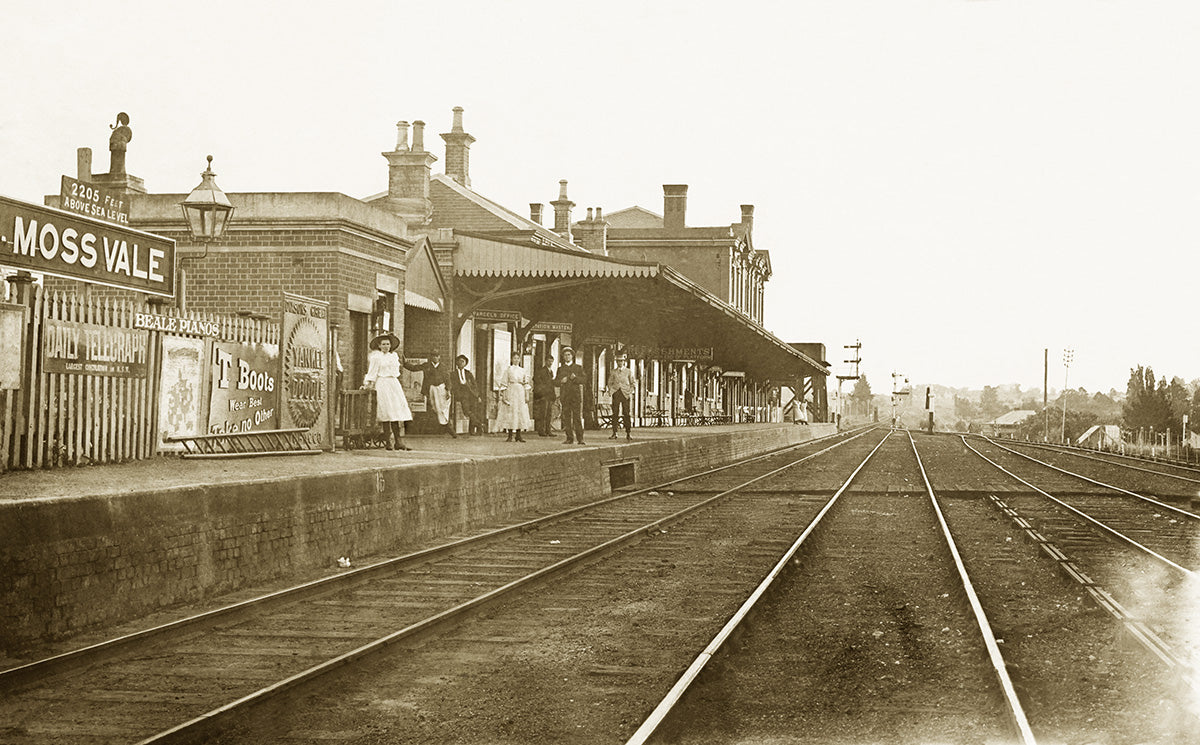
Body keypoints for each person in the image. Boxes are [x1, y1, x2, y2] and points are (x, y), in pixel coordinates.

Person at [362, 332, 412, 451]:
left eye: (388, 344)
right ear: (379, 346)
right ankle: (388, 441)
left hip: (394, 384)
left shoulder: (394, 356)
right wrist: (367, 384)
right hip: (383, 384)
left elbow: (396, 371)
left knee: (396, 412)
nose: (386, 346)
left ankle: (398, 441)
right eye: (383, 344)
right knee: (386, 412)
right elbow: (372, 372)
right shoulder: (376, 357)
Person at [405, 351, 455, 438]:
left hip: (441, 388)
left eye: (436, 356)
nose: (435, 358)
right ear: (431, 357)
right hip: (431, 388)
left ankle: (447, 427)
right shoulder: (426, 365)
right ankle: (435, 428)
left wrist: (448, 391)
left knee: (443, 408)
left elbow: (448, 379)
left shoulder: (443, 367)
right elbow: (414, 368)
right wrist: (405, 363)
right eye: (433, 356)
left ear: (439, 357)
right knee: (432, 407)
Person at [496, 351, 532, 442]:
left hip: (520, 391)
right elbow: (504, 383)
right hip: (511, 391)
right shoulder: (508, 370)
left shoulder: (523, 370)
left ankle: (519, 435)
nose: (516, 360)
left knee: (520, 412)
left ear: (520, 359)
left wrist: (527, 395)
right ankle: (510, 434)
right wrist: (504, 396)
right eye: (514, 358)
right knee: (511, 412)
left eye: (517, 358)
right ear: (511, 359)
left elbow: (526, 383)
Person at [556, 346, 586, 445]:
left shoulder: (578, 368)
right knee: (566, 418)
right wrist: (561, 381)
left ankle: (580, 438)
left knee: (577, 417)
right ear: (563, 357)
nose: (567, 357)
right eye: (565, 355)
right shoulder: (561, 369)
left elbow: (584, 380)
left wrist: (576, 378)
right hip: (565, 396)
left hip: (575, 396)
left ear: (572, 356)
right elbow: (555, 382)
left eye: (569, 355)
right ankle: (569, 438)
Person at [452, 354, 485, 435]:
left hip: (471, 394)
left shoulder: (468, 373)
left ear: (465, 363)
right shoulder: (453, 374)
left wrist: (477, 396)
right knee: (466, 411)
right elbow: (453, 385)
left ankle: (472, 430)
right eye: (459, 361)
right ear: (456, 363)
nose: (461, 363)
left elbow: (474, 385)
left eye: (463, 361)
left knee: (473, 410)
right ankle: (479, 425)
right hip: (462, 394)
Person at [606, 351, 635, 440]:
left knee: (626, 413)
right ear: (616, 362)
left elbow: (633, 383)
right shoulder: (613, 372)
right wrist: (611, 391)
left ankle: (628, 433)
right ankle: (614, 432)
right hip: (616, 393)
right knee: (615, 413)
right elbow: (609, 382)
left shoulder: (628, 371)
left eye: (621, 361)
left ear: (624, 362)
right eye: (618, 361)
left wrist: (629, 391)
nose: (620, 363)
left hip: (625, 394)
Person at [532, 357, 556, 437]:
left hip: (549, 394)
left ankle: (548, 430)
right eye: (549, 361)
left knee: (549, 413)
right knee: (543, 413)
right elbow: (536, 379)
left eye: (552, 361)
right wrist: (542, 390)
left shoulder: (551, 371)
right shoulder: (542, 371)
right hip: (544, 395)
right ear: (545, 361)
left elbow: (551, 383)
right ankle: (541, 430)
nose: (550, 363)